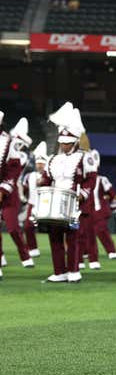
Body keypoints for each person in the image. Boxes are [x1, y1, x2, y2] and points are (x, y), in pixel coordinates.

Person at [41, 104, 97, 283]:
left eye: (67, 143)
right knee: (55, 237)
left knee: (74, 237)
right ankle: (59, 272)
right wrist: (42, 186)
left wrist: (84, 195)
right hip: (56, 202)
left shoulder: (85, 157)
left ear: (74, 142)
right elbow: (47, 179)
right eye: (62, 143)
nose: (64, 146)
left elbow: (91, 179)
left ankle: (73, 271)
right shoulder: (53, 159)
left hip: (75, 203)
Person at [0, 117, 35, 274]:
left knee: (13, 228)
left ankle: (25, 255)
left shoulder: (20, 154)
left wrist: (3, 190)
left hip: (10, 191)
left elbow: (14, 172)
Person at [90, 149, 116, 260]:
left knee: (101, 230)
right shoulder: (83, 181)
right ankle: (87, 253)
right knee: (86, 233)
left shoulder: (102, 179)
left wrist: (113, 206)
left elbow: (112, 194)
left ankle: (111, 251)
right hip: (87, 210)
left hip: (100, 210)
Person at [22, 141, 48, 259]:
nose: (39, 165)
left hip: (47, 204)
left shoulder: (49, 175)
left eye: (42, 163)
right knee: (28, 226)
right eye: (38, 163)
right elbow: (25, 189)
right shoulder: (29, 176)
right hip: (33, 204)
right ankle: (33, 249)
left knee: (55, 229)